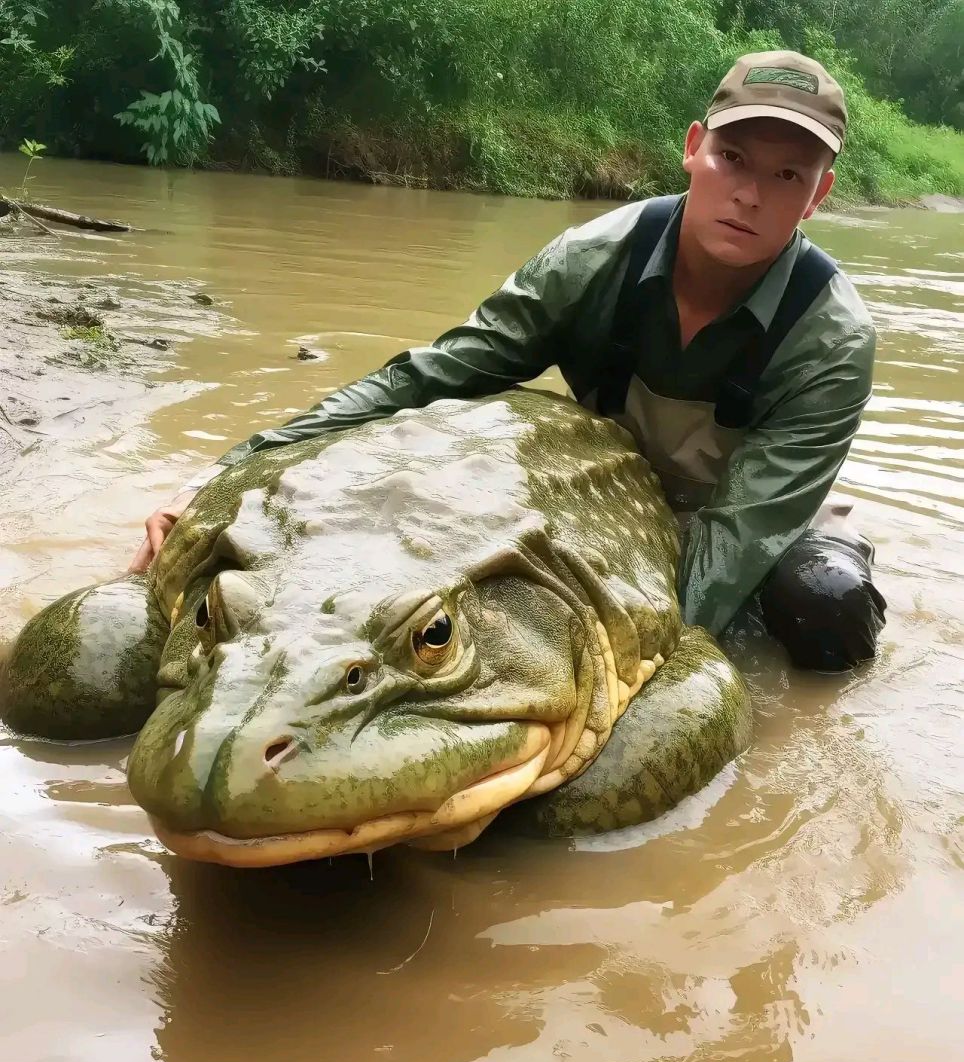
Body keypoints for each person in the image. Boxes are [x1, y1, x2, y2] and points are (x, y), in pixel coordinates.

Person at [130, 49, 885, 671]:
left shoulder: (833, 340)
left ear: (819, 194)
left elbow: (734, 538)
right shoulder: (590, 262)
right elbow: (427, 380)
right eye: (733, 158)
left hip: (754, 511)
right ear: (693, 148)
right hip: (615, 497)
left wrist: (630, 667)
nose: (750, 194)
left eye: (788, 175)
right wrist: (227, 473)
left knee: (824, 606)